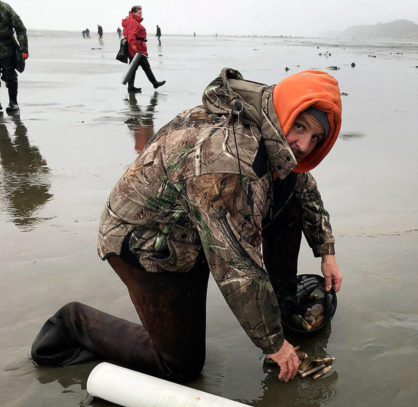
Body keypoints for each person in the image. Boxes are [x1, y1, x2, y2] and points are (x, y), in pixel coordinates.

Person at [31, 68, 343, 385]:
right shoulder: (230, 163)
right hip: (148, 241)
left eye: (316, 137)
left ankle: (279, 301)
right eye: (300, 127)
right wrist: (274, 343)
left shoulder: (270, 122)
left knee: (288, 196)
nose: (304, 144)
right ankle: (74, 323)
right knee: (181, 365)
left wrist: (326, 251)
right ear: (287, 110)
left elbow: (303, 187)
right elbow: (236, 265)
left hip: (199, 221)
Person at [122, 5, 165, 93]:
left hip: (137, 47)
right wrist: (134, 46)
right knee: (145, 66)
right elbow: (131, 35)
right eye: (139, 13)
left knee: (133, 68)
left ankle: (131, 87)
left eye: (141, 13)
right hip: (136, 48)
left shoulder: (132, 20)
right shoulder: (132, 21)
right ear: (133, 13)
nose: (141, 15)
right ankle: (154, 83)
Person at [0, 1, 28, 114]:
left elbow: (20, 28)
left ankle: (13, 102)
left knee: (10, 76)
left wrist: (24, 49)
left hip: (7, 49)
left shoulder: (5, 8)